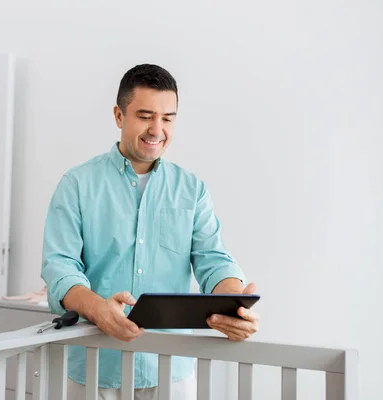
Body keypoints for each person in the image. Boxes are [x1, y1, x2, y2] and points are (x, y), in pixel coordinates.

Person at [40, 63, 259, 400]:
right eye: (145, 115)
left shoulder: (192, 189)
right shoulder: (77, 185)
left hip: (171, 370)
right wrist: (98, 309)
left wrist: (232, 303)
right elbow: (60, 267)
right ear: (118, 115)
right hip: (95, 366)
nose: (157, 129)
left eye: (167, 118)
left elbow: (213, 260)